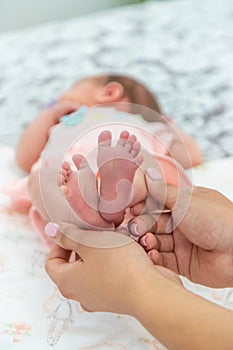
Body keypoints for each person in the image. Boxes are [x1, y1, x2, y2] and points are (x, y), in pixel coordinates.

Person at [3, 73, 202, 245]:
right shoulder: (62, 122)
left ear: (108, 93)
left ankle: (113, 200)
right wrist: (49, 116)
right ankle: (83, 219)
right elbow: (24, 158)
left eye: (71, 90)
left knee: (142, 168)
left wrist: (166, 123)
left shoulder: (147, 126)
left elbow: (190, 156)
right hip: (69, 187)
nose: (58, 100)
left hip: (127, 176)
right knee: (39, 179)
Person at [45, 172, 233, 350]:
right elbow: (194, 153)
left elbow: (24, 157)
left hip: (136, 203)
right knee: (143, 180)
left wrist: (134, 286)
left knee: (42, 182)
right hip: (142, 197)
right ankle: (105, 203)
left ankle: (93, 210)